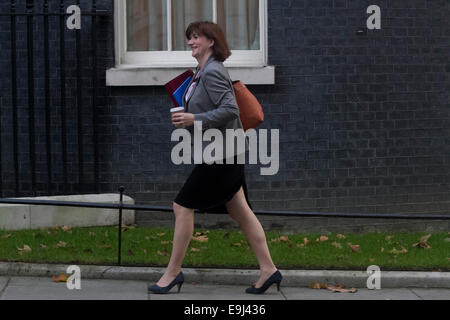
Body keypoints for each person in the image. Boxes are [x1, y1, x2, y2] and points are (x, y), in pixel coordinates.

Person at [148, 21, 282, 295]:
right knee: (240, 211)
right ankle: (269, 270)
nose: (191, 42)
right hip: (222, 151)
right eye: (190, 38)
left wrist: (193, 118)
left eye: (196, 37)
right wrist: (187, 118)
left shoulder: (212, 72)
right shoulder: (200, 72)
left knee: (181, 206)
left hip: (222, 155)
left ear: (211, 41)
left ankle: (172, 273)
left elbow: (230, 110)